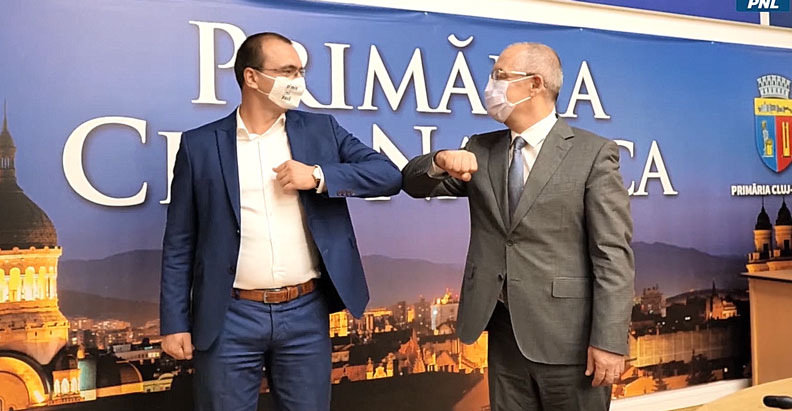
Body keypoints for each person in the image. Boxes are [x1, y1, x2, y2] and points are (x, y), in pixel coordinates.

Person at [160, 32, 402, 411]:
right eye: (287, 71)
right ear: (251, 77)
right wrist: (174, 322)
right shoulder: (200, 145)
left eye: (300, 72)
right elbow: (180, 241)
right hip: (229, 316)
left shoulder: (322, 130)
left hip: (305, 312)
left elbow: (388, 175)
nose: (297, 81)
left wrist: (319, 176)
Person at [402, 42, 634, 411]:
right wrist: (440, 160)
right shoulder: (480, 150)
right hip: (504, 337)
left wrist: (609, 341)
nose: (489, 86)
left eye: (499, 76)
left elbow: (612, 255)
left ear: (535, 84)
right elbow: (413, 184)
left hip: (569, 341)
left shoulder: (592, 154)